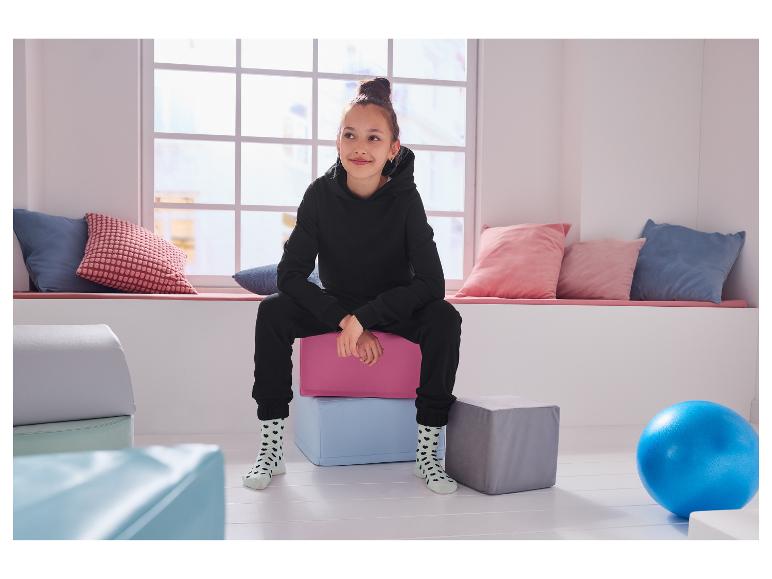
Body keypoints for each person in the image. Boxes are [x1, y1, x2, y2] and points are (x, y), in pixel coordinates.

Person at [243, 77, 463, 494]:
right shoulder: (319, 195)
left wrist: (366, 319)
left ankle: (427, 451)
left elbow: (432, 283)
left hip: (392, 304)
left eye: (373, 137)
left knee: (445, 318)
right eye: (350, 135)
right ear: (338, 141)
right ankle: (271, 450)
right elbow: (291, 274)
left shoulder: (406, 200)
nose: (360, 147)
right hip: (339, 301)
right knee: (272, 310)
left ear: (392, 149)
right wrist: (344, 318)